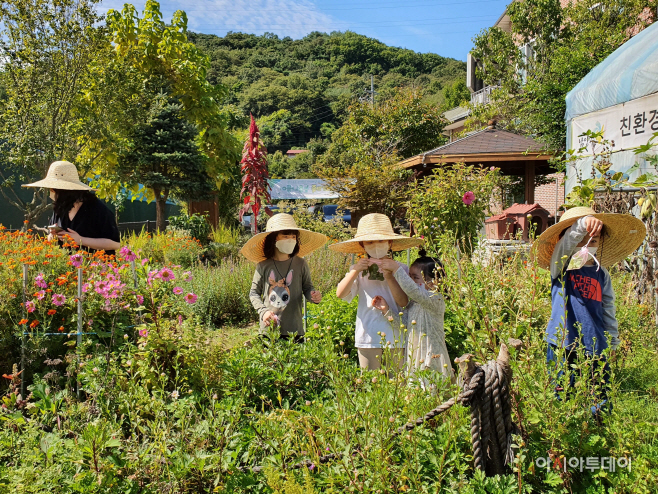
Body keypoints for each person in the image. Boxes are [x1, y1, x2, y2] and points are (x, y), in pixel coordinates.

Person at [534, 206, 645, 417]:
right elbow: (565, 247)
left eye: (592, 241)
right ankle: (565, 437)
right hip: (563, 342)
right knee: (563, 393)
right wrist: (583, 224)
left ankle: (599, 432)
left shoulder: (601, 274)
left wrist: (612, 341)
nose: (586, 246)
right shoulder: (562, 267)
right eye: (580, 241)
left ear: (600, 244)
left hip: (595, 343)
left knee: (600, 395)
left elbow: (608, 309)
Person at [331, 213, 422, 371]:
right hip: (368, 334)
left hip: (396, 335)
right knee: (370, 385)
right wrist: (355, 270)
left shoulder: (400, 269)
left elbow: (403, 302)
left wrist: (390, 275)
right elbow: (340, 293)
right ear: (362, 245)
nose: (376, 245)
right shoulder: (359, 270)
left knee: (397, 386)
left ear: (390, 242)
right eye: (370, 242)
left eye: (381, 240)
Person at [373, 250, 454, 388]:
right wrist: (386, 310)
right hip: (415, 357)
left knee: (435, 392)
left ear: (434, 282)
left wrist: (397, 269)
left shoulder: (436, 299)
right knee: (417, 394)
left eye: (415, 278)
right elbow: (403, 324)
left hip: (432, 355)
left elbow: (414, 291)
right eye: (409, 277)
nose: (411, 281)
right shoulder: (414, 304)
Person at [242, 213, 326, 342]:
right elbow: (254, 293)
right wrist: (263, 312)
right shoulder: (263, 265)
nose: (290, 240)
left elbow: (308, 288)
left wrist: (313, 296)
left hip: (294, 329)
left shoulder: (300, 264)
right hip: (269, 330)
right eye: (285, 236)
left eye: (293, 237)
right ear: (274, 238)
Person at [22, 161, 121, 255]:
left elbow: (115, 244)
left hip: (96, 268)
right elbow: (51, 238)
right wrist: (52, 236)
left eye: (53, 190)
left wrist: (80, 240)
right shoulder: (60, 208)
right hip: (68, 268)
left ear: (64, 191)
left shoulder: (97, 209)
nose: (50, 192)